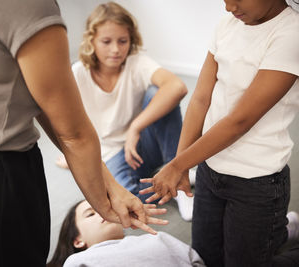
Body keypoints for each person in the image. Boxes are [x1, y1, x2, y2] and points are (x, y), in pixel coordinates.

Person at [0, 0, 168, 266]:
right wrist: (104, 204)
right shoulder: (29, 5)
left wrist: (109, 187)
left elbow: (46, 105)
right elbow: (75, 134)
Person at [139, 0, 299, 266]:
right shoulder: (227, 24)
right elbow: (201, 98)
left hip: (257, 182)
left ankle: (282, 233)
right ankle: (280, 231)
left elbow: (240, 120)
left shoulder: (291, 33)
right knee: (205, 257)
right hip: (209, 171)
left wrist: (178, 165)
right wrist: (181, 165)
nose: (228, 6)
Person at [55, 1, 194, 221]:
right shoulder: (79, 73)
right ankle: (163, 180)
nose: (115, 49)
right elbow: (65, 118)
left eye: (122, 41)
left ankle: (176, 176)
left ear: (131, 40)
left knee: (157, 93)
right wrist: (69, 151)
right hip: (110, 152)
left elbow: (178, 86)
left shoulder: (136, 62)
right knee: (128, 203)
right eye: (106, 41)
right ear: (91, 41)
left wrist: (135, 128)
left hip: (143, 145)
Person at [47, 200, 206, 267]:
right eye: (90, 214)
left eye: (107, 209)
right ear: (77, 240)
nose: (103, 214)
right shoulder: (77, 261)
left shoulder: (158, 239)